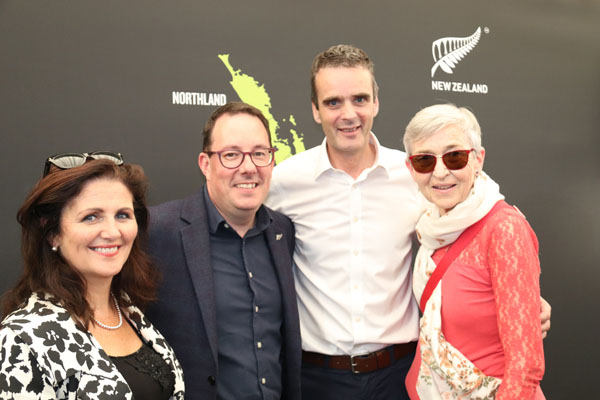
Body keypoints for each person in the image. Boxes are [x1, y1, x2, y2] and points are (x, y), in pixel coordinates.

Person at [266, 44, 550, 400]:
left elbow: (477, 223)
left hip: (399, 376)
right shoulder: (284, 181)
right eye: (333, 102)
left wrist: (523, 301)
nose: (348, 114)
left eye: (359, 99)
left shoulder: (419, 171)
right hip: (317, 379)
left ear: (376, 102)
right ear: (315, 109)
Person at [145, 102, 302, 400]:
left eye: (260, 153)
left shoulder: (283, 231)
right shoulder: (157, 231)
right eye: (231, 155)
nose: (248, 167)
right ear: (206, 164)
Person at [0, 154, 185, 399]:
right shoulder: (22, 338)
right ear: (53, 233)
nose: (112, 232)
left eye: (122, 215)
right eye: (91, 217)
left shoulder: (128, 310)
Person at [403, 103, 545, 399]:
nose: (440, 172)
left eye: (454, 157)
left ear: (478, 159)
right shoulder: (431, 227)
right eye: (425, 161)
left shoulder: (503, 228)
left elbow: (525, 367)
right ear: (411, 168)